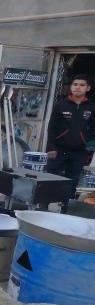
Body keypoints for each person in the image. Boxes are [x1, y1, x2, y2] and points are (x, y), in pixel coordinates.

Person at [46, 74, 95, 210]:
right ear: (71, 87)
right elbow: (52, 127)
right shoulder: (61, 104)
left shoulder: (91, 107)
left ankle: (66, 209)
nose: (78, 87)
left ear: (88, 88)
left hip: (79, 152)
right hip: (58, 150)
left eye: (82, 85)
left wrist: (88, 145)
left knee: (72, 182)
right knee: (49, 178)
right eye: (75, 84)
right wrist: (51, 147)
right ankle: (43, 206)